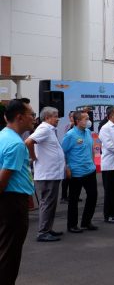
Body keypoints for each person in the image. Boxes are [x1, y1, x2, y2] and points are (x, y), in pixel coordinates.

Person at [0, 99, 35, 285]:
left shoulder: (3, 136)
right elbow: (3, 180)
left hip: (12, 200)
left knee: (5, 248)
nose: (33, 119)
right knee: (9, 255)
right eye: (31, 114)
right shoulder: (16, 144)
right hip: (12, 203)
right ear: (20, 117)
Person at [25, 107, 66, 242]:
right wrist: (33, 157)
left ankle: (47, 229)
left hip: (52, 173)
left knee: (51, 203)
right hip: (47, 173)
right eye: (55, 116)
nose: (58, 118)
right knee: (47, 203)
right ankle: (43, 232)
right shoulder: (44, 129)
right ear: (47, 117)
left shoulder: (49, 130)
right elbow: (28, 142)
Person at [61, 111, 98, 233]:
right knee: (73, 200)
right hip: (76, 172)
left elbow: (91, 149)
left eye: (88, 118)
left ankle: (86, 222)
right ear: (77, 121)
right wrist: (67, 168)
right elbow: (63, 153)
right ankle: (72, 225)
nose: (88, 121)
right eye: (86, 119)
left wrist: (93, 163)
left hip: (90, 170)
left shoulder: (88, 132)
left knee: (93, 196)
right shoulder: (70, 135)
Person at [60, 110, 75, 203]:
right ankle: (63, 197)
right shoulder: (68, 127)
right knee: (66, 177)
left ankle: (72, 195)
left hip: (74, 155)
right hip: (67, 154)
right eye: (72, 117)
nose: (74, 118)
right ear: (69, 118)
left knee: (73, 177)